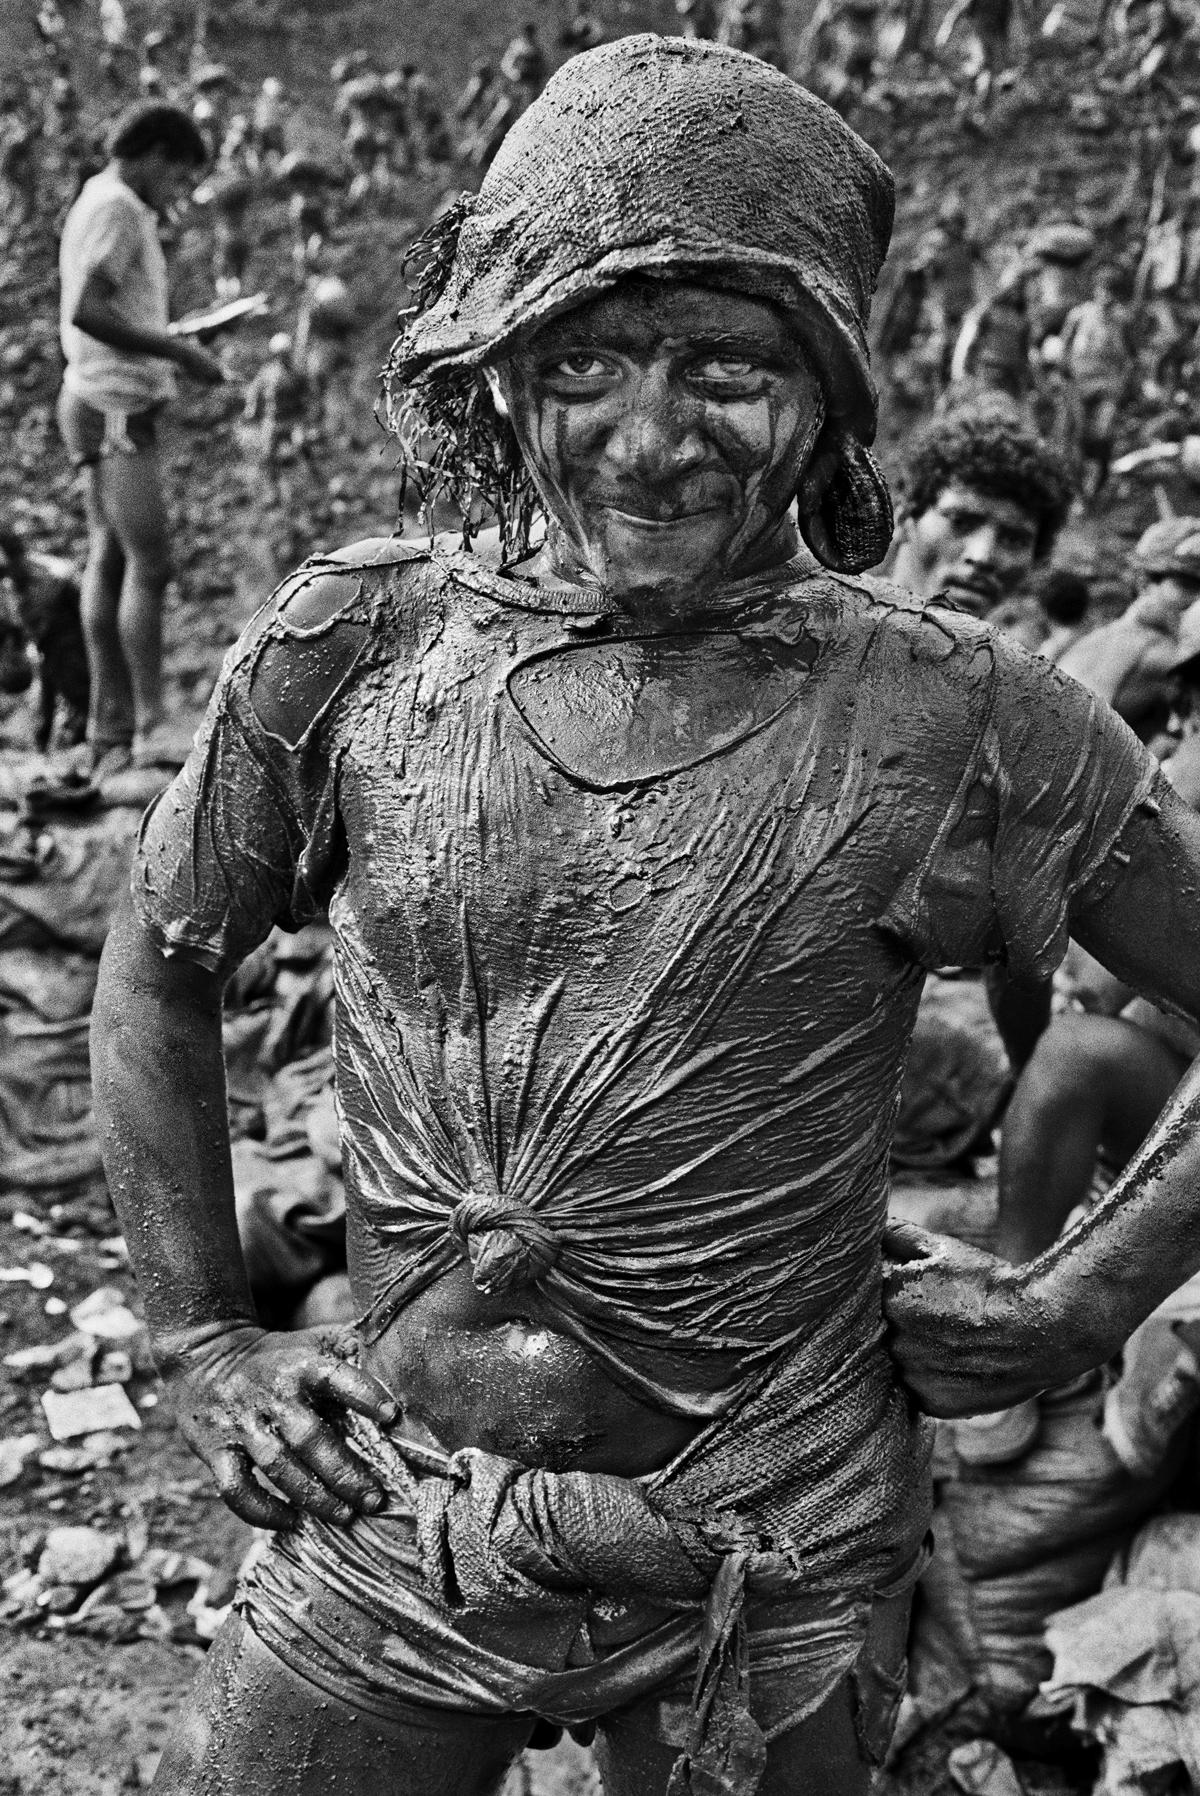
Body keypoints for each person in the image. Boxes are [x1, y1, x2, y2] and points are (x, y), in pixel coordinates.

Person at [92, 36, 1200, 1796]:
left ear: (828, 386)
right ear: (496, 372)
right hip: (402, 1506)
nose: (652, 437)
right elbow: (158, 966)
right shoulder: (361, 649)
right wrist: (202, 1338)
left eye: (731, 366)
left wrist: (1079, 1304)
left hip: (769, 1528)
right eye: (586, 360)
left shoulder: (959, 717)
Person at [56, 101, 225, 776]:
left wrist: (172, 343)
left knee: (110, 557)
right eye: (178, 176)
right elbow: (88, 310)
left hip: (90, 397)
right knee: (150, 564)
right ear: (155, 153)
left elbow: (105, 309)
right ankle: (151, 726)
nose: (177, 192)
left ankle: (110, 725)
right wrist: (180, 356)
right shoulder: (121, 208)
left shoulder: (99, 197)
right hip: (118, 407)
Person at [887, 396, 1070, 615]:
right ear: (903, 517)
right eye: (960, 522)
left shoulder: (1008, 649)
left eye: (1014, 540)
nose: (983, 556)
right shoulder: (838, 620)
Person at [1058, 516, 1200, 745]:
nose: (1197, 602)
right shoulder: (1152, 648)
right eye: (1187, 585)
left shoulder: (1107, 634)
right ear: (1144, 582)